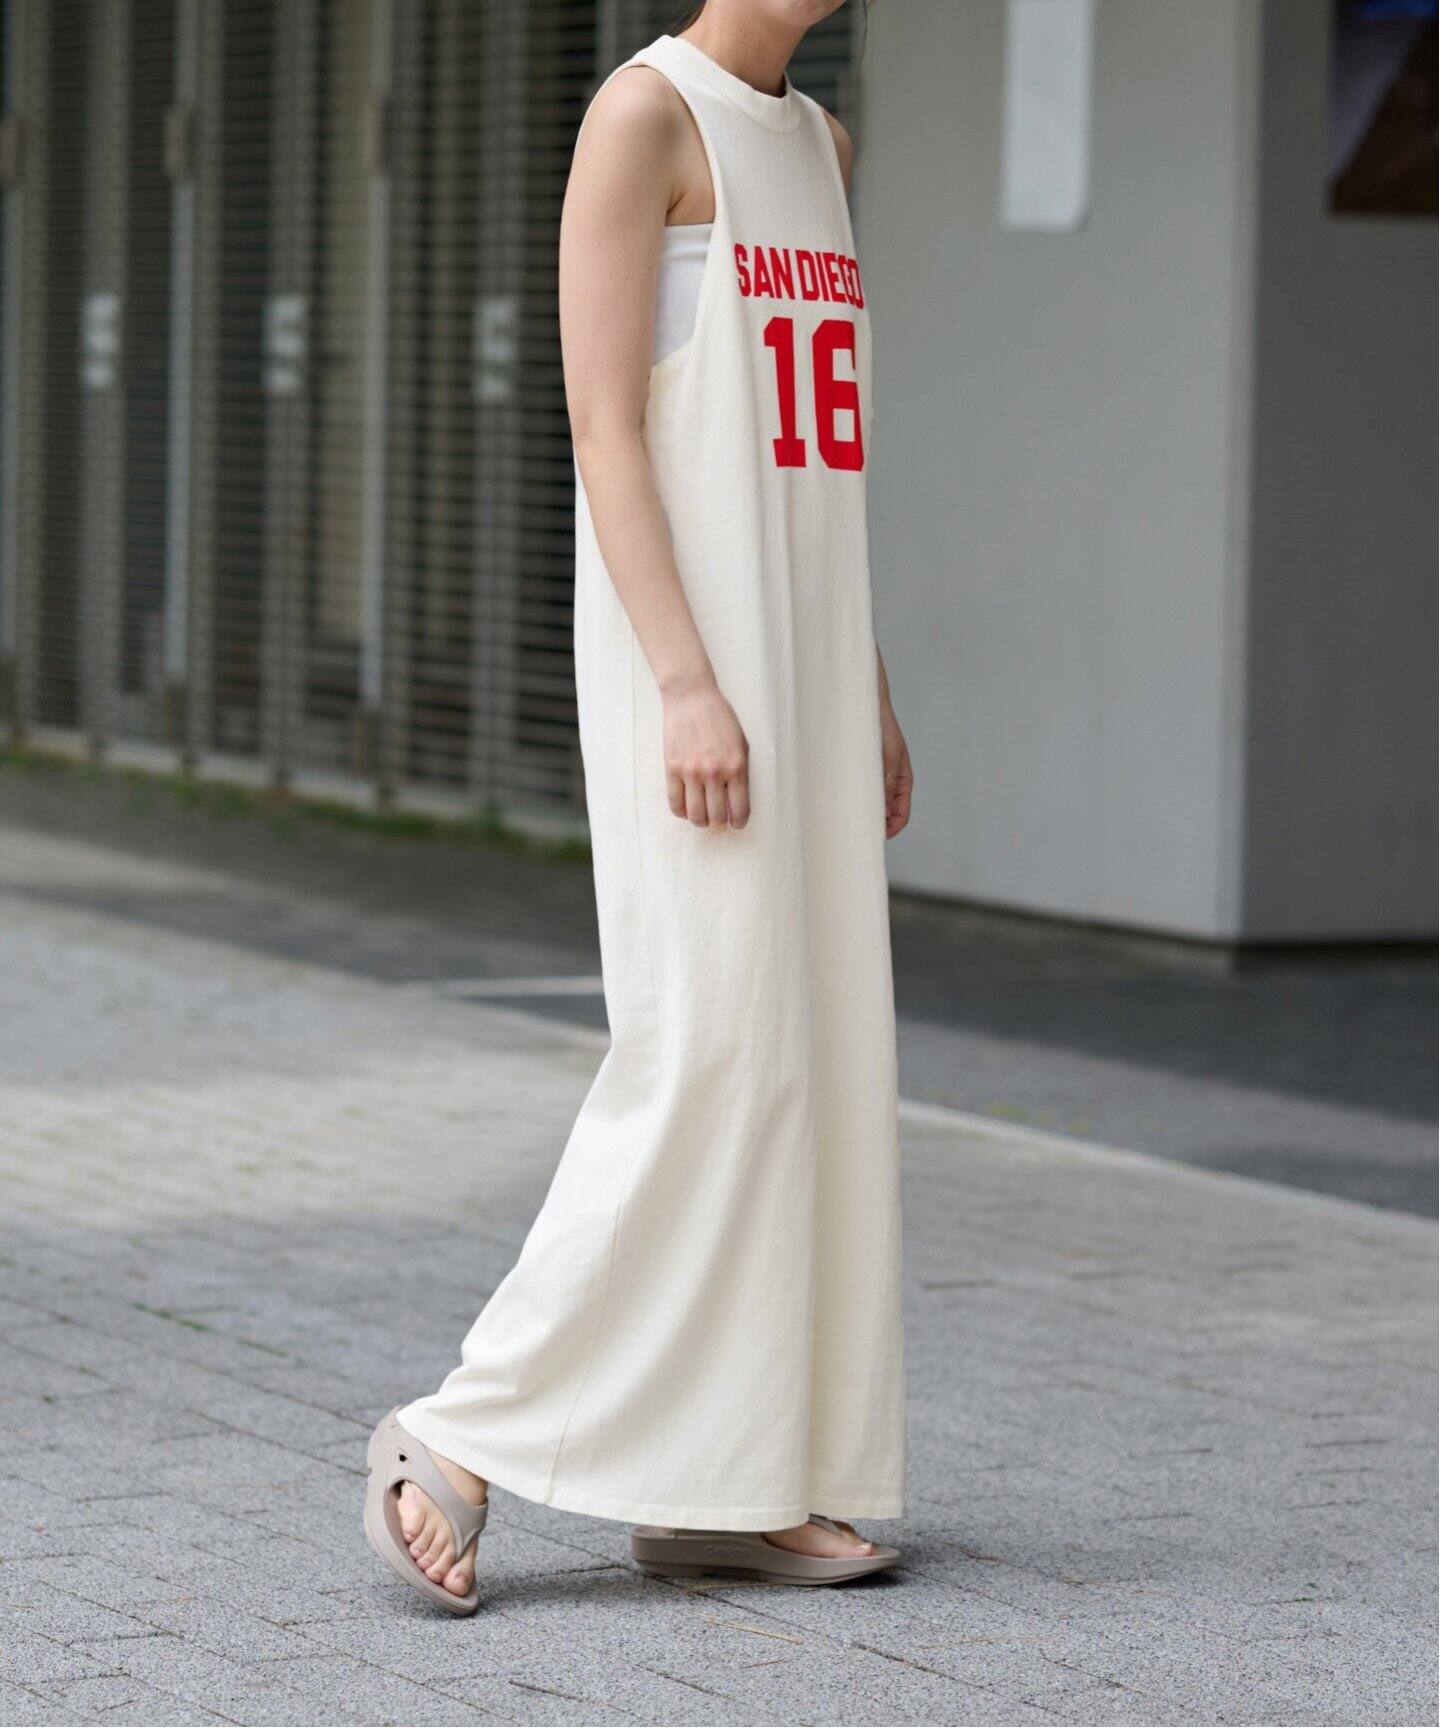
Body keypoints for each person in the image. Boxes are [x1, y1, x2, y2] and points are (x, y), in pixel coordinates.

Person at [363, 0, 914, 1616]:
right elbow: (606, 424)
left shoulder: (822, 145)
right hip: (692, 662)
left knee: (809, 1065)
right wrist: (683, 680)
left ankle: (726, 1491)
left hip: (804, 665)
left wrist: (867, 683)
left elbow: (816, 455)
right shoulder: (642, 116)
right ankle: (461, 1431)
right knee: (709, 1055)